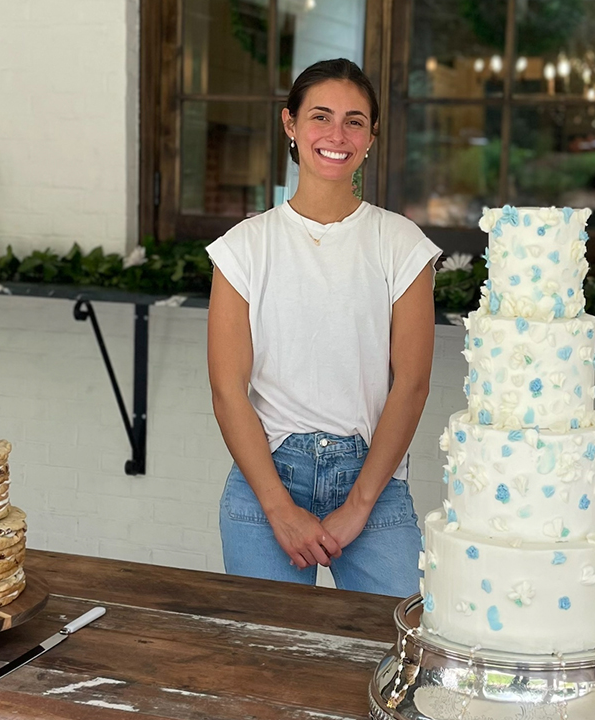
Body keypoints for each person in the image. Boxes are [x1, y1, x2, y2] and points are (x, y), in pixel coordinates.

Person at [204, 58, 441, 597]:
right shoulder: (243, 247)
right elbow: (226, 390)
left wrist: (358, 507)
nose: (337, 135)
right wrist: (279, 509)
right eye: (321, 117)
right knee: (270, 662)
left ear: (371, 137)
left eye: (355, 121)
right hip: (267, 481)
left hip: (373, 481)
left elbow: (412, 384)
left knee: (399, 654)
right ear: (290, 124)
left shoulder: (400, 243)